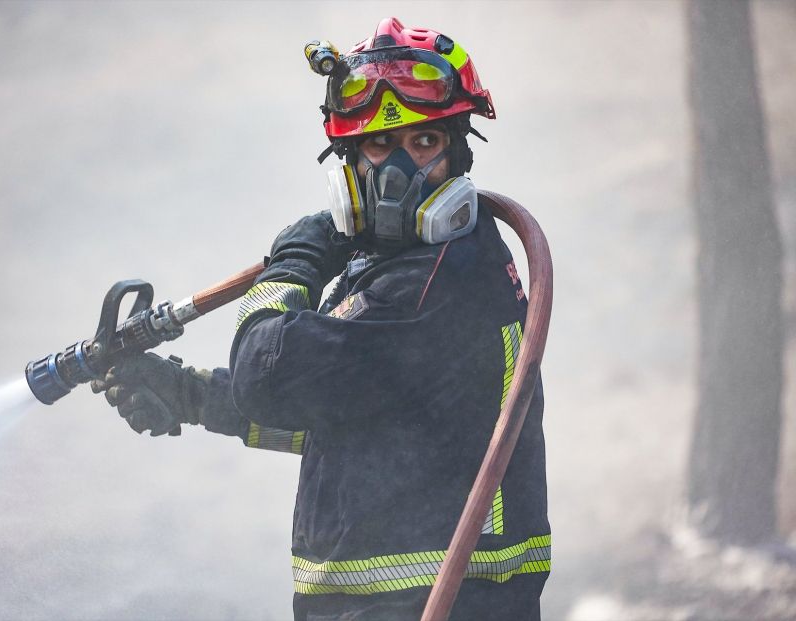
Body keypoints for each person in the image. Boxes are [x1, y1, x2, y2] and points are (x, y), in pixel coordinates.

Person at [92, 17, 550, 620]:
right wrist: (193, 398)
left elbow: (269, 376)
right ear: (349, 157)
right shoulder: (409, 267)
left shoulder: (437, 280)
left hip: (434, 605)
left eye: (423, 143)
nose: (397, 174)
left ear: (458, 152)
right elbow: (360, 414)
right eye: (380, 146)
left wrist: (297, 264)